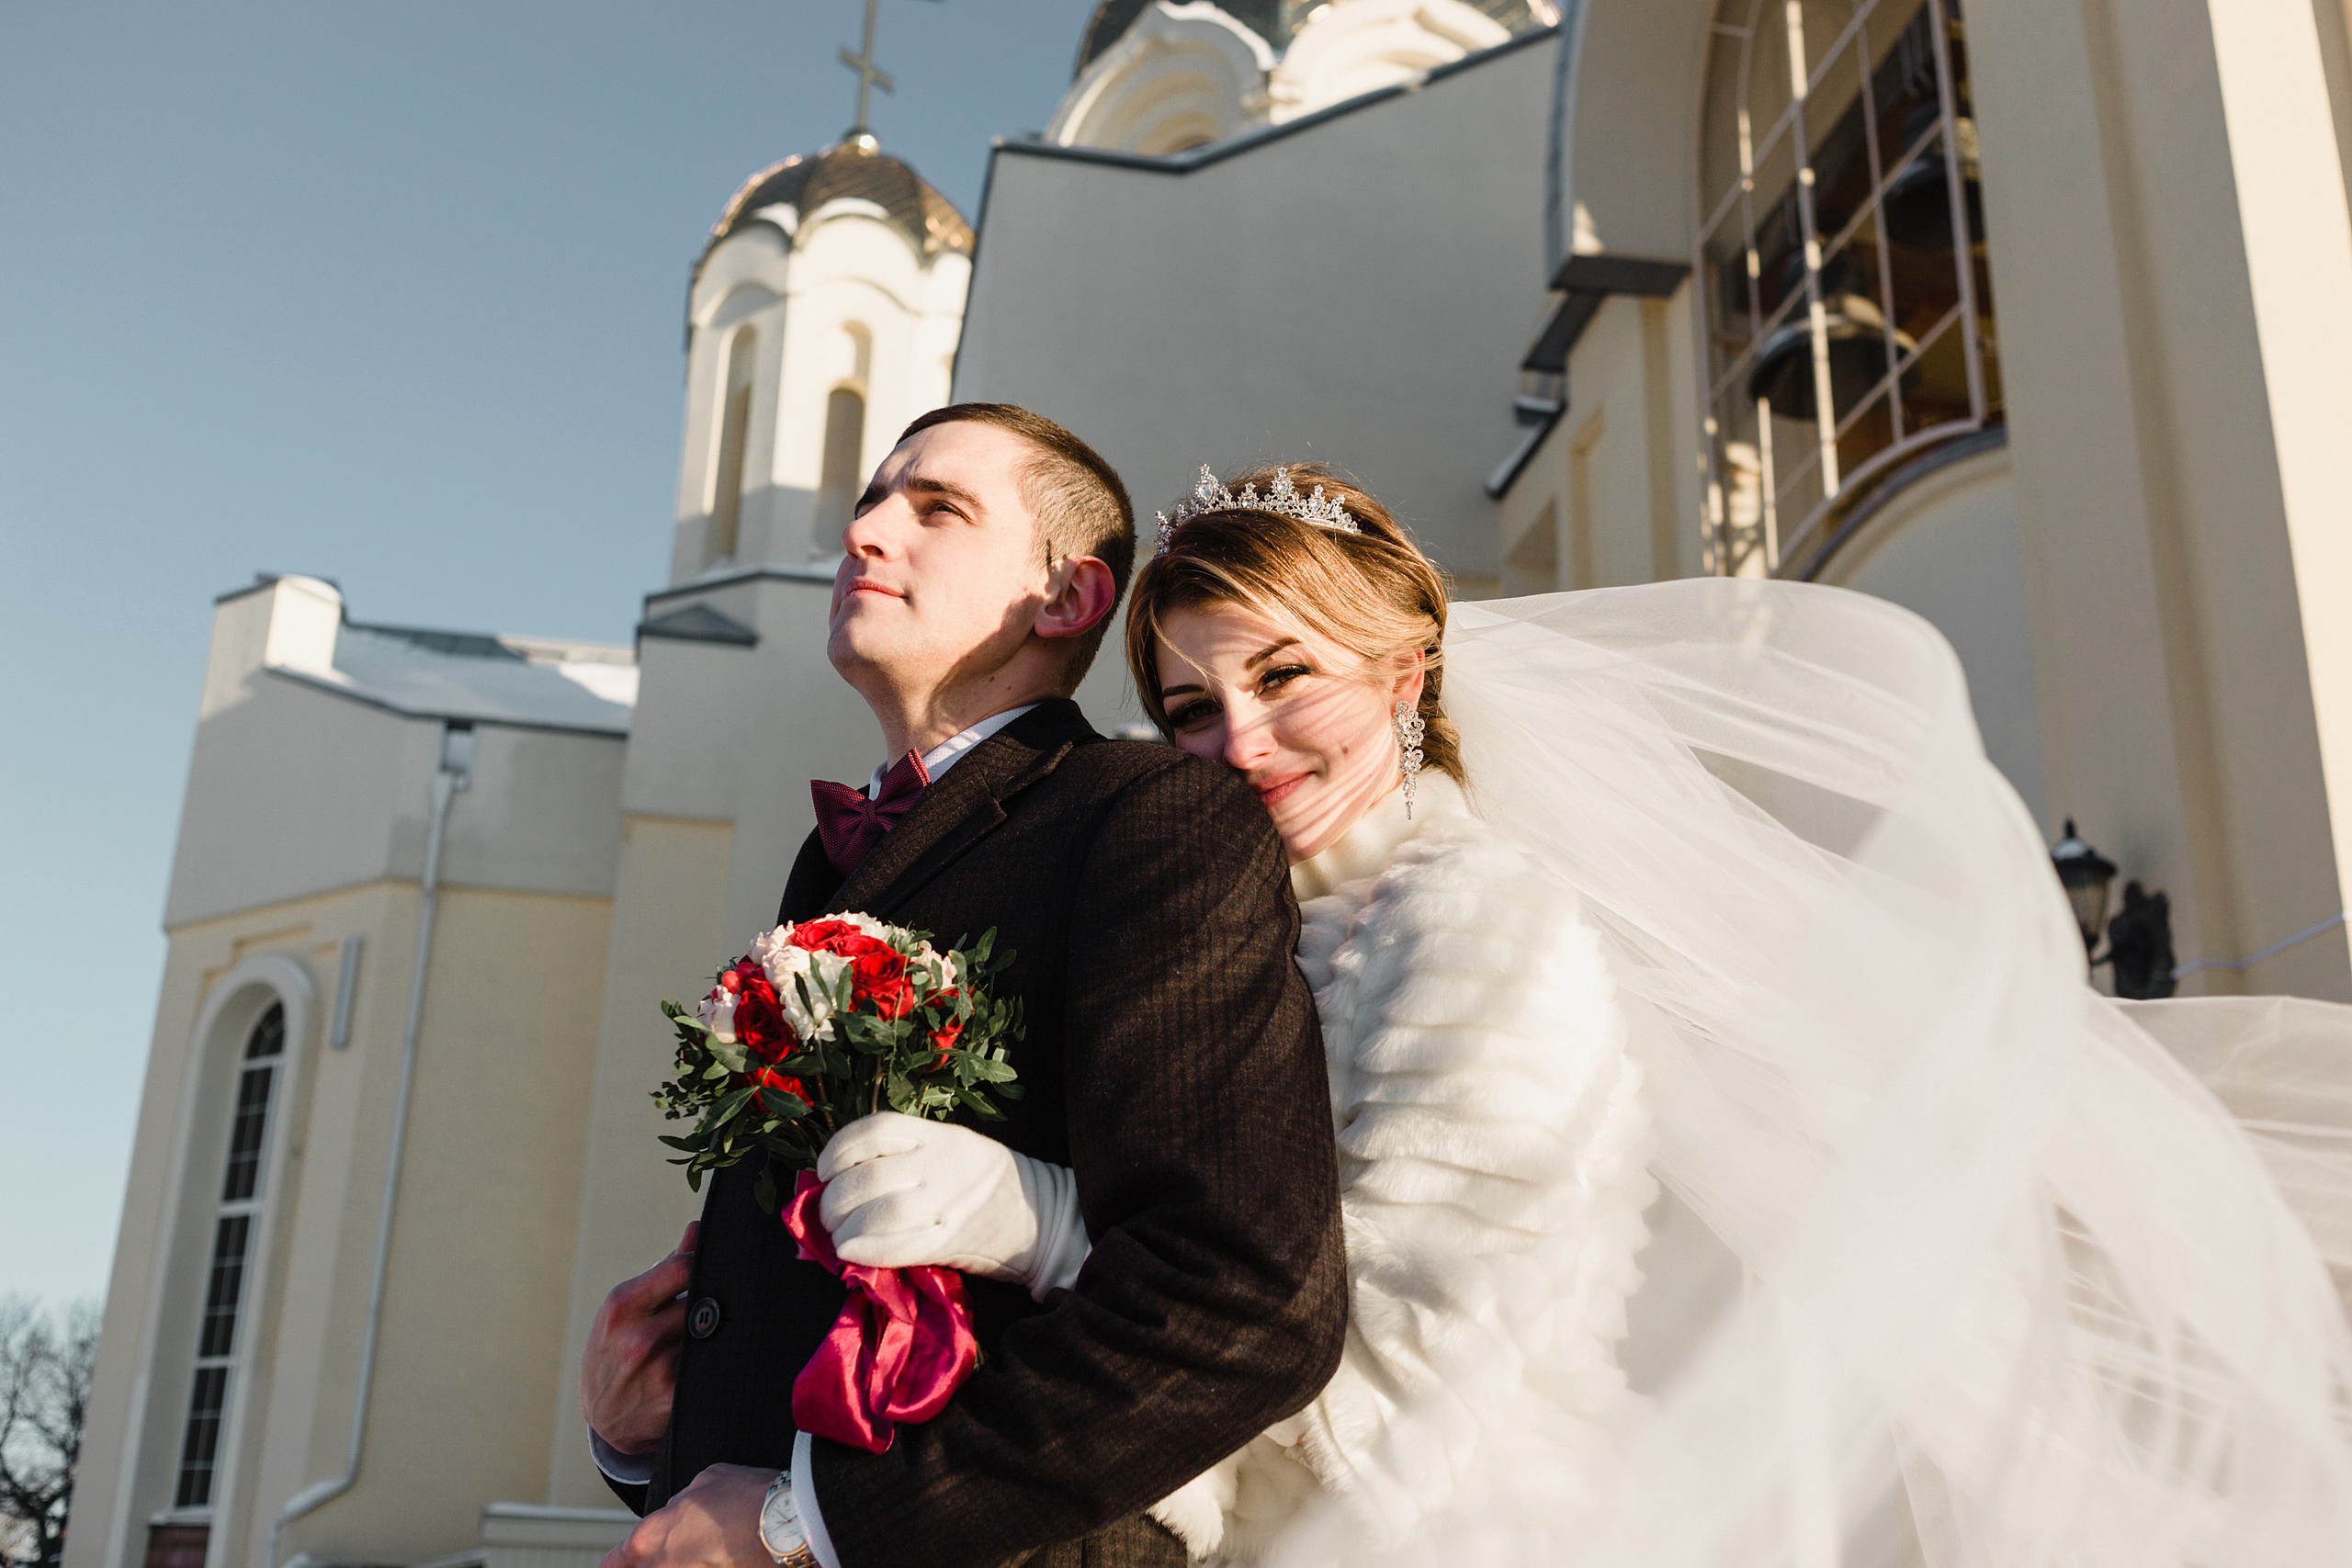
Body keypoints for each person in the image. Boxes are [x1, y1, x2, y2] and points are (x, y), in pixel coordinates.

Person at [826, 461, 2352, 1566]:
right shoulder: (1265, 929)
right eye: (1190, 710)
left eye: (1288, 677)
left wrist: (1037, 1214)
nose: (1242, 740)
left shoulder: (1482, 929)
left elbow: (1397, 1380)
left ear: (1408, 671)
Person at [577, 409, 1349, 1568]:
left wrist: (810, 1524)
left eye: (936, 508)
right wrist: (648, 1435)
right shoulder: (832, 859)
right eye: (873, 498)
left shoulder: (1146, 820)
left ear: (1066, 598)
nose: (864, 529)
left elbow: (1241, 1302)